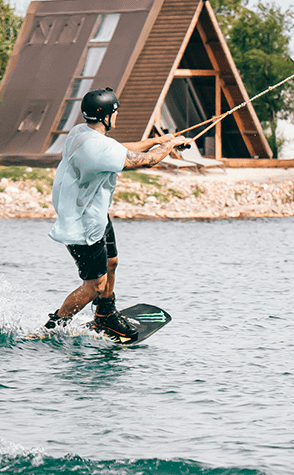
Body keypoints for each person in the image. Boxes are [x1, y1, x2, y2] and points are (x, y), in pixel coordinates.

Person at [44, 87, 187, 340]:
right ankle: (55, 327)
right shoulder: (96, 150)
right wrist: (171, 145)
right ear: (107, 116)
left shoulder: (81, 132)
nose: (117, 116)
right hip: (82, 226)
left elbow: (121, 148)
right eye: (116, 113)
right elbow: (145, 161)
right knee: (92, 288)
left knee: (112, 263)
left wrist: (158, 141)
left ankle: (105, 316)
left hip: (96, 216)